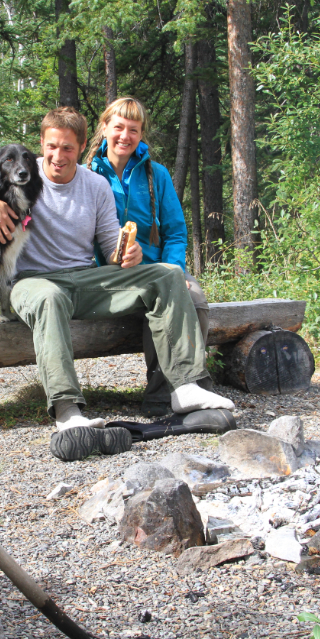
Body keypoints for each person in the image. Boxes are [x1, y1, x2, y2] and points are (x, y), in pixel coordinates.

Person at [0, 107, 235, 461]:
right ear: (42, 145)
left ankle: (184, 386)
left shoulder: (95, 184)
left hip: (83, 278)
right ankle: (67, 409)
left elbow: (109, 244)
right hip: (29, 283)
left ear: (82, 147)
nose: (58, 157)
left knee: (166, 274)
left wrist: (128, 254)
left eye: (68, 149)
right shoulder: (20, 171)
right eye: (51, 147)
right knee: (49, 298)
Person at [85, 97, 212, 416]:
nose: (125, 136)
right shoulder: (86, 175)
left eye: (133, 129)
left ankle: (176, 389)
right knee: (158, 299)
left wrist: (175, 269)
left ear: (141, 134)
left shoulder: (157, 175)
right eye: (118, 127)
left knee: (193, 298)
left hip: (158, 267)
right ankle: (171, 391)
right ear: (104, 128)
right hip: (110, 273)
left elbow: (176, 231)